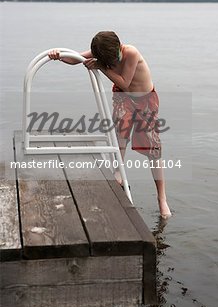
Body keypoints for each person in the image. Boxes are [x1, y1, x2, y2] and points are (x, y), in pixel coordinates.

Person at [48, 31, 172, 218]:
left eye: (114, 61)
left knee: (153, 149)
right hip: (124, 98)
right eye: (109, 62)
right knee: (120, 134)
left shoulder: (130, 52)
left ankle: (162, 199)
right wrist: (58, 56)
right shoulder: (101, 52)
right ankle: (118, 172)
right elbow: (76, 59)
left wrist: (101, 67)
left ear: (119, 46)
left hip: (145, 100)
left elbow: (125, 81)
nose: (113, 64)